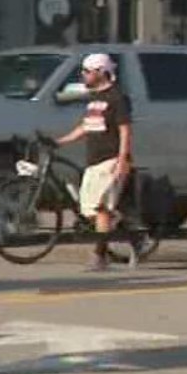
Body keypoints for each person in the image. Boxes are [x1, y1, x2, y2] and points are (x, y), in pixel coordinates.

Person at [54, 52, 133, 271]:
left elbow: (125, 130)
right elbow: (86, 126)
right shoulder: (94, 99)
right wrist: (60, 141)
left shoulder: (117, 98)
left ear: (101, 72)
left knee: (99, 208)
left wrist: (123, 159)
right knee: (89, 209)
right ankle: (121, 232)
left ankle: (99, 256)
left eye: (87, 71)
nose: (83, 75)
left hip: (110, 159)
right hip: (94, 160)